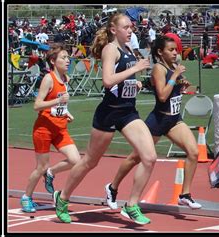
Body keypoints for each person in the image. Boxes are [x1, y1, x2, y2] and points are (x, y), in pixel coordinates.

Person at [53, 13, 154, 225]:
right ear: (113, 29)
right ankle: (62, 198)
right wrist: (135, 69)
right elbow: (107, 81)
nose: (130, 30)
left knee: (149, 157)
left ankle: (131, 205)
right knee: (90, 161)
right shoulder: (111, 49)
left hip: (128, 112)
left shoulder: (128, 49)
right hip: (109, 112)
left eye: (131, 27)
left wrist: (133, 83)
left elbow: (121, 79)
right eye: (125, 27)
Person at [105, 36, 203, 214]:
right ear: (160, 52)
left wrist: (181, 85)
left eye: (176, 50)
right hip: (158, 121)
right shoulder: (159, 69)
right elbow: (162, 96)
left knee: (194, 152)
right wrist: (174, 76)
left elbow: (172, 91)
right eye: (171, 50)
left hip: (174, 119)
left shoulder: (173, 67)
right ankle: (112, 187)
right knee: (136, 158)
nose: (175, 53)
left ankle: (185, 194)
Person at [21, 43, 80, 213]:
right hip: (44, 129)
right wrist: (58, 102)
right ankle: (26, 196)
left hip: (60, 128)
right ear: (53, 61)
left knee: (76, 160)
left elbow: (58, 105)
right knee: (41, 167)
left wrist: (65, 112)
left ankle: (51, 173)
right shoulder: (49, 79)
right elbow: (37, 105)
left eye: (68, 57)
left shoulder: (65, 78)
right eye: (63, 57)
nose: (67, 60)